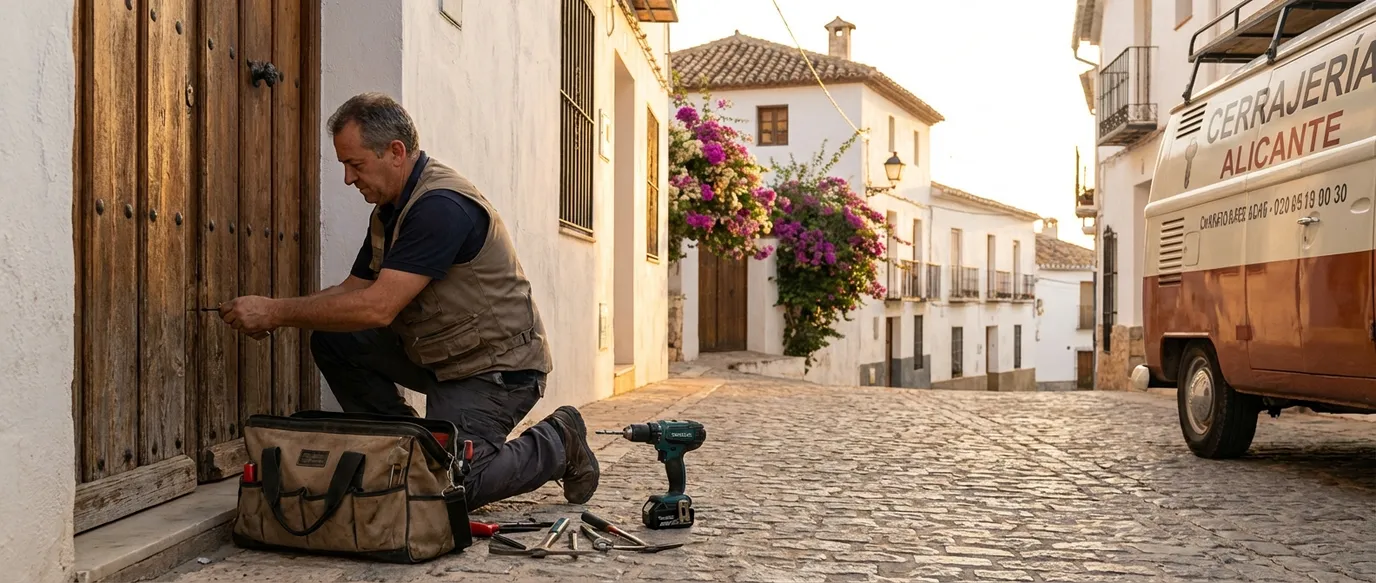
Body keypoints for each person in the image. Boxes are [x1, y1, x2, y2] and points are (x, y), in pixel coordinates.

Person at [217, 92, 598, 510]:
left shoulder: (440, 207)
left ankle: (560, 440)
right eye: (344, 165)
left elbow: (377, 307)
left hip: (495, 370)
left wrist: (274, 312)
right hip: (441, 358)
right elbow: (354, 289)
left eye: (355, 164)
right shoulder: (389, 210)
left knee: (450, 490)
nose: (347, 178)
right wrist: (275, 311)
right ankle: (409, 448)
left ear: (396, 152)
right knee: (335, 338)